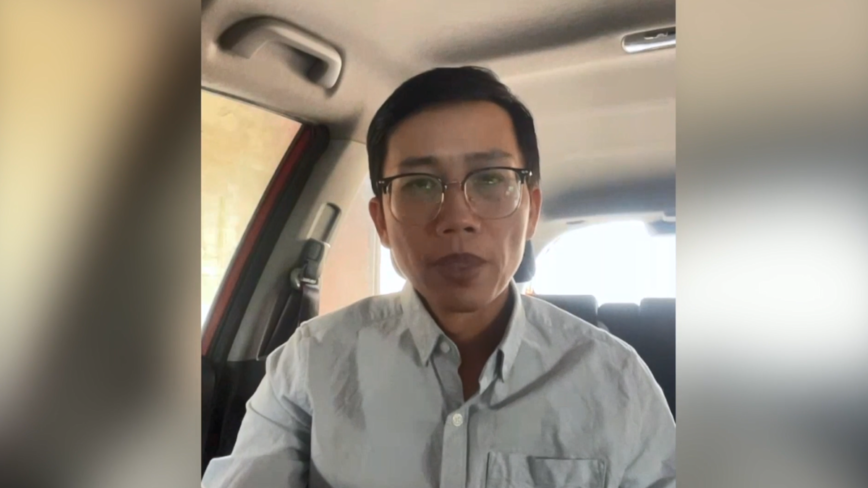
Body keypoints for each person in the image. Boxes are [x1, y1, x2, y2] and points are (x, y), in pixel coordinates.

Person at [203, 66, 675, 487]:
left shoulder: (618, 382)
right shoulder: (311, 364)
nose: (457, 218)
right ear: (382, 221)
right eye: (420, 185)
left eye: (490, 179)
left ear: (531, 210)